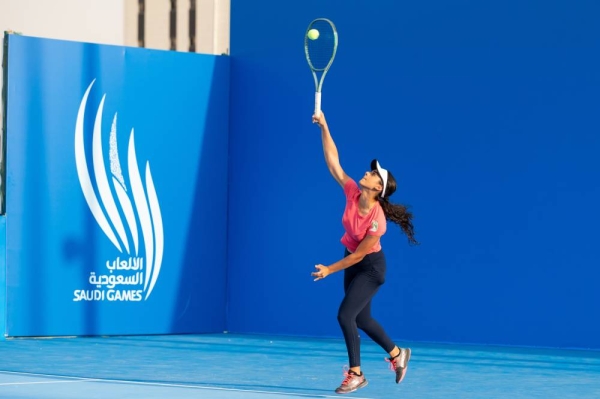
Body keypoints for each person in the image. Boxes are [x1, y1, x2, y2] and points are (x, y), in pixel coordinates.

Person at [310, 111, 419, 394]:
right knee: (362, 318)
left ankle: (356, 373)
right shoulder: (352, 192)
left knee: (345, 316)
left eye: (373, 173)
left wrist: (329, 269)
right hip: (354, 263)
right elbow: (333, 161)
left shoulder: (377, 220)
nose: (368, 172)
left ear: (378, 188)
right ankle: (397, 354)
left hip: (370, 267)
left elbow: (359, 256)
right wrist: (325, 126)